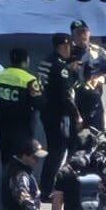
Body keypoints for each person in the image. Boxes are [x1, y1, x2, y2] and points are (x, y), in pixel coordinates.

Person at [38, 33, 81, 197]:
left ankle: (45, 186)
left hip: (45, 111)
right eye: (69, 46)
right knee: (59, 152)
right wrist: (77, 117)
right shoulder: (60, 68)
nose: (70, 49)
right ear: (63, 46)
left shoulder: (45, 62)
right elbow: (67, 96)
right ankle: (49, 189)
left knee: (53, 150)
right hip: (58, 114)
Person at [0, 49, 44, 164]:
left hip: (3, 126)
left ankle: (6, 181)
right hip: (23, 128)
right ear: (26, 61)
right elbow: (39, 103)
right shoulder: (30, 80)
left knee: (6, 161)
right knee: (24, 162)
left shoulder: (0, 76)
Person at [70, 20, 106, 134]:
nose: (82, 36)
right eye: (78, 33)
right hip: (74, 103)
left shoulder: (97, 51)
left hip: (93, 101)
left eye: (84, 32)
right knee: (75, 139)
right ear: (73, 36)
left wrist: (100, 77)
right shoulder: (68, 52)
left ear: (89, 33)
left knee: (98, 136)